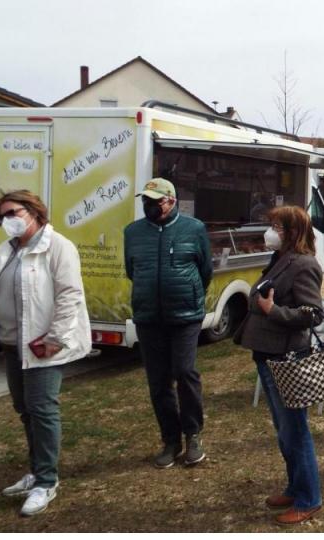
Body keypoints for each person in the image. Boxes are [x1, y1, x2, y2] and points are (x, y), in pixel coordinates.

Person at [0, 190, 91, 517]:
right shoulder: (8, 249)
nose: (6, 220)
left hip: (42, 346)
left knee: (42, 410)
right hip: (12, 345)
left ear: (35, 211)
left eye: (12, 212)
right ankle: (37, 470)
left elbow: (70, 295)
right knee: (25, 409)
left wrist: (55, 338)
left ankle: (46, 482)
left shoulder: (58, 247)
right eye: (1, 217)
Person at [232, 206, 324, 525]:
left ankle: (309, 498)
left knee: (295, 431)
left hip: (287, 358)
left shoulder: (304, 264)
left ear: (293, 232)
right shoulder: (280, 258)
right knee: (284, 431)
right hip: (267, 354)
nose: (270, 232)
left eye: (277, 226)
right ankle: (295, 487)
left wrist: (273, 311)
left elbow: (312, 314)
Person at [124, 178, 212, 469]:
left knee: (185, 372)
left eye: (155, 201)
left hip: (185, 315)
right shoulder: (132, 232)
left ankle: (193, 434)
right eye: (145, 200)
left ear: (171, 201)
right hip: (149, 316)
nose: (148, 205)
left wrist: (188, 293)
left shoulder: (194, 229)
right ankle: (170, 440)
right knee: (158, 381)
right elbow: (132, 270)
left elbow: (205, 270)